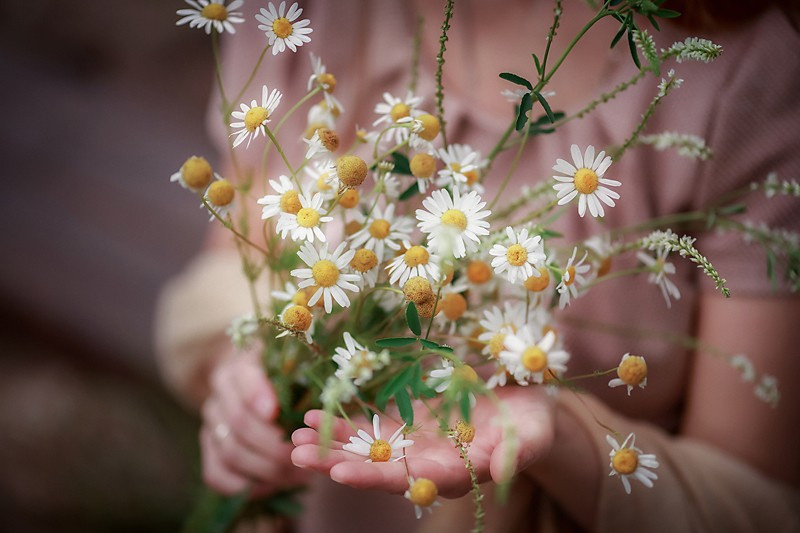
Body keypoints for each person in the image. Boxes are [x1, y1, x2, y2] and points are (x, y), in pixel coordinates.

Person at [156, 0, 800, 530]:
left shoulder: (744, 79)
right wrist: (247, 372)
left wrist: (559, 435)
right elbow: (244, 260)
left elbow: (757, 509)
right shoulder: (300, 15)